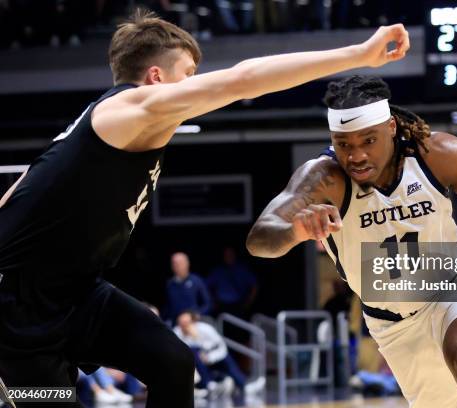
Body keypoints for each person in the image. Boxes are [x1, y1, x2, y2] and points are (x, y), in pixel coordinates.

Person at [0, 9, 409, 407]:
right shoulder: (129, 109)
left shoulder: (110, 126)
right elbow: (243, 79)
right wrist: (359, 54)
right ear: (156, 78)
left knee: (173, 363)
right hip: (17, 311)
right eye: (189, 75)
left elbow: (23, 186)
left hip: (77, 294)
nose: (195, 85)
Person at [246, 75, 457, 408]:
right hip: (392, 322)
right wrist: (294, 232)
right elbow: (259, 240)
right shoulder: (323, 177)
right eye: (344, 144)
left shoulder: (437, 153)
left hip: (454, 284)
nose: (356, 155)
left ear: (391, 126)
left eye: (368, 140)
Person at [206, 247, 257, 317]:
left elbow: (254, 285)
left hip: (238, 305)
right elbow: (207, 285)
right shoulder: (218, 271)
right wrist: (213, 301)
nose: (228, 257)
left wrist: (248, 302)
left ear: (235, 255)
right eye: (226, 255)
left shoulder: (242, 270)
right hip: (221, 305)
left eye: (230, 255)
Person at [166, 251, 212, 324]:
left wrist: (197, 314)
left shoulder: (196, 281)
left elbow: (208, 303)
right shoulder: (170, 284)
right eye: (174, 263)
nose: (176, 266)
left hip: (195, 322)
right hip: (176, 324)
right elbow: (168, 307)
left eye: (180, 263)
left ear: (187, 263)